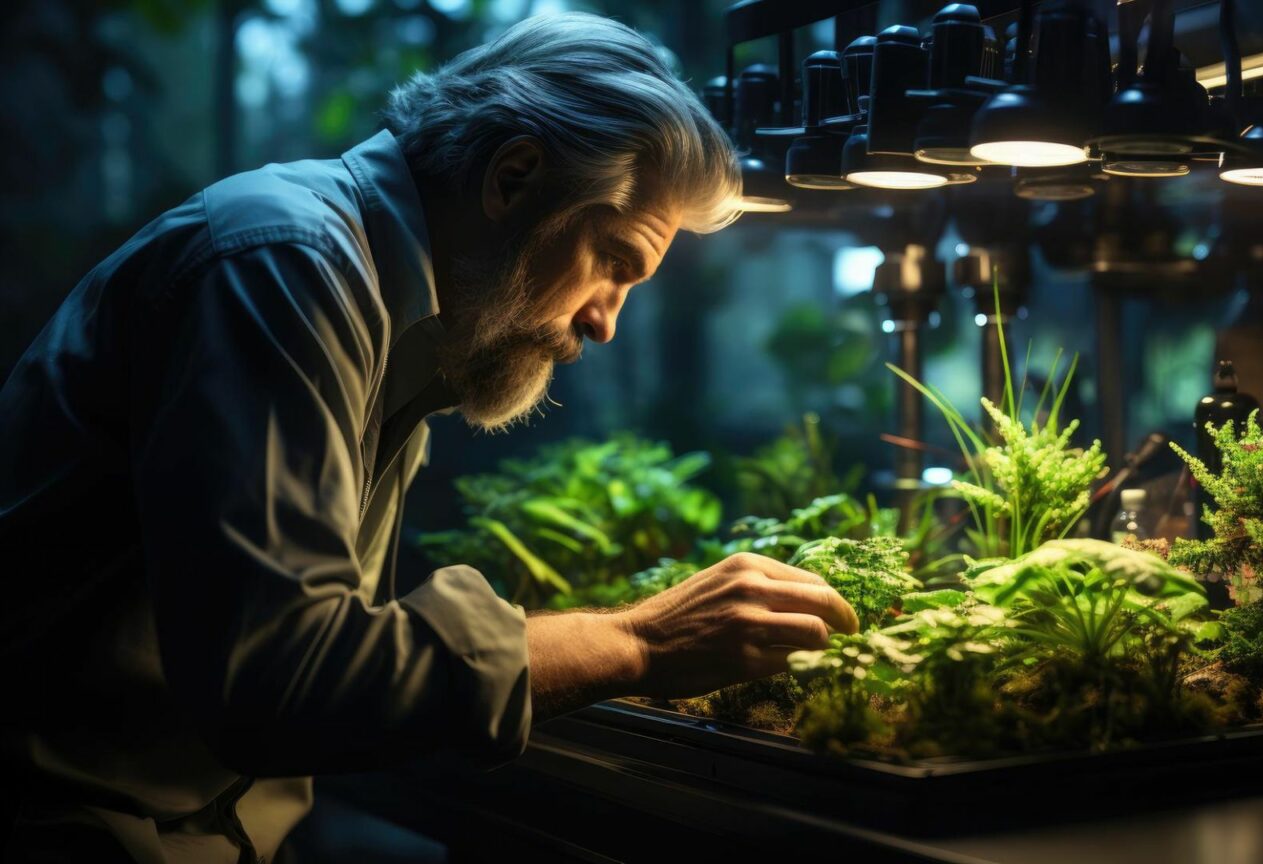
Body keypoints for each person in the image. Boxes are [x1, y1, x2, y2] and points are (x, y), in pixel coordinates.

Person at [0, 13, 857, 863]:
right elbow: (283, 680)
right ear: (514, 177)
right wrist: (641, 642)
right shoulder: (285, 262)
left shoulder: (404, 322)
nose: (603, 324)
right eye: (615, 263)